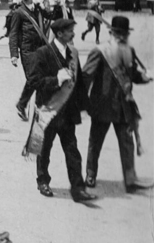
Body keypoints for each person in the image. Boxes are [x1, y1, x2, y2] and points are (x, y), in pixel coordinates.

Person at [26, 19, 96, 203]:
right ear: (59, 34)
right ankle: (43, 181)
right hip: (48, 110)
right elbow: (34, 82)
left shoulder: (72, 52)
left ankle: (78, 189)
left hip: (67, 112)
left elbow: (79, 82)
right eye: (70, 31)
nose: (73, 34)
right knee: (44, 149)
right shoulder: (42, 53)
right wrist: (56, 80)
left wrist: (86, 106)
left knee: (72, 151)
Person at [83, 16, 154, 193]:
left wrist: (145, 77)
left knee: (127, 143)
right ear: (111, 33)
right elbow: (85, 77)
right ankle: (90, 174)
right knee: (95, 142)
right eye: (118, 33)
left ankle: (130, 180)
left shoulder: (129, 51)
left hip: (124, 107)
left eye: (124, 34)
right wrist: (82, 102)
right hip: (102, 105)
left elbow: (133, 75)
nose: (121, 37)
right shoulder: (100, 51)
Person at [9, 0, 50, 121]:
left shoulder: (38, 9)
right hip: (27, 50)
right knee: (33, 78)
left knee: (40, 79)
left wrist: (55, 5)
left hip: (41, 49)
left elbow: (52, 15)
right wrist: (14, 54)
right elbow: (13, 34)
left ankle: (31, 106)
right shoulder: (18, 12)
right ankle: (23, 104)